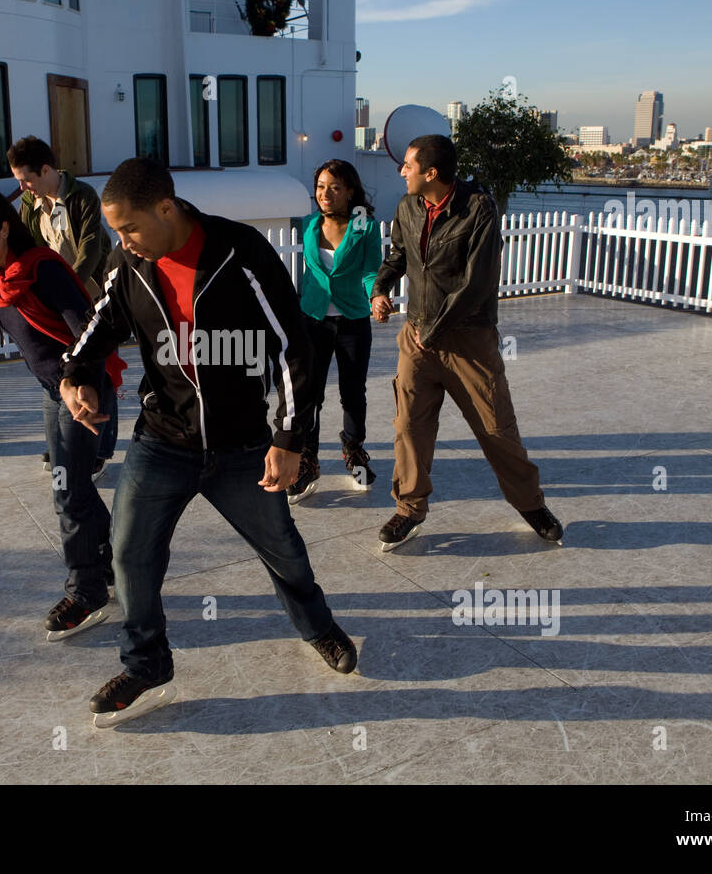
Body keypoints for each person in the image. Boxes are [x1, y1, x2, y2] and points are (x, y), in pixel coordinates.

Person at [58, 158, 357, 722]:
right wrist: (75, 373)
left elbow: (295, 345)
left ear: (166, 209)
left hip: (242, 445)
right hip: (162, 438)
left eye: (130, 227)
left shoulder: (238, 252)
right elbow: (103, 323)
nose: (122, 241)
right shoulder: (130, 261)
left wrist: (290, 436)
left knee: (283, 549)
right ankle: (147, 664)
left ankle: (318, 628)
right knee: (129, 554)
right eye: (116, 231)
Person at [369, 135, 563, 551]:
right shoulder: (407, 208)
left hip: (468, 340)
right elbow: (398, 255)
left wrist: (433, 331)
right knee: (408, 426)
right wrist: (380, 289)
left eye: (408, 165)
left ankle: (530, 503)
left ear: (431, 173)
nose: (402, 171)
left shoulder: (478, 209)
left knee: (496, 428)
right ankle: (408, 509)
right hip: (416, 337)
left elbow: (476, 285)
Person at [0, 187, 123, 637]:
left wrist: (78, 383)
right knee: (75, 485)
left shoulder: (42, 269)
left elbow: (86, 328)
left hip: (83, 385)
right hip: (54, 391)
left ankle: (86, 591)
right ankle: (114, 565)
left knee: (67, 492)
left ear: (5, 229)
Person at [7, 136, 117, 475]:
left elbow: (90, 249)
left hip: (91, 292)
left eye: (26, 179)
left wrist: (70, 288)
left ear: (45, 170)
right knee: (63, 366)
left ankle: (101, 447)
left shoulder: (82, 195)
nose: (23, 187)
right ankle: (61, 440)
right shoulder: (29, 202)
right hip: (57, 296)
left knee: (99, 364)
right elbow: (30, 248)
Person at [287, 159, 383, 504]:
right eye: (321, 186)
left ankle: (353, 452)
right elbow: (311, 275)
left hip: (353, 321)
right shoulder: (310, 225)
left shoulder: (365, 227)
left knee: (353, 393)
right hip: (312, 320)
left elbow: (372, 270)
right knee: (308, 394)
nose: (325, 194)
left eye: (335, 187)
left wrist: (377, 295)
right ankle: (308, 461)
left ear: (350, 191)